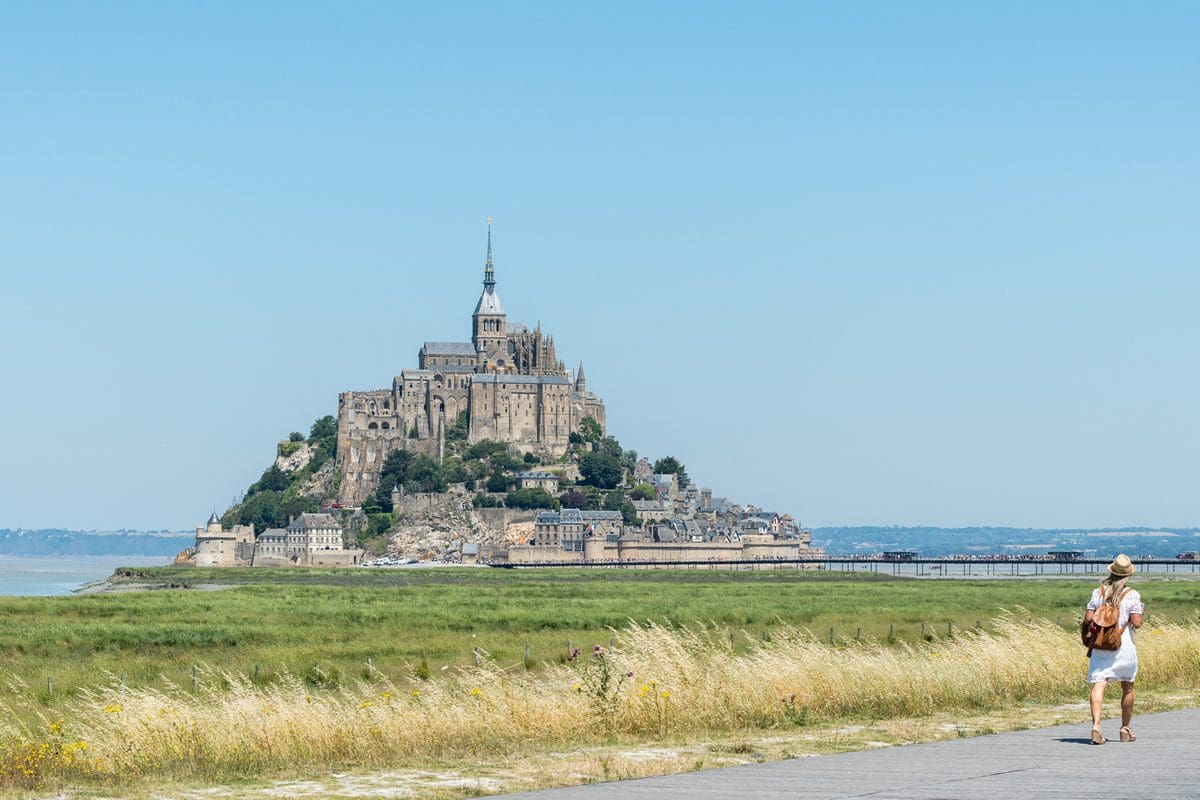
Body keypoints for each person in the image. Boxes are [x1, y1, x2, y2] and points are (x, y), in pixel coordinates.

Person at [1085, 553, 1144, 744]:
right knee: (1127, 686)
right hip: (1123, 646)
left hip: (1102, 645)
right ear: (1127, 575)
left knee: (1099, 683)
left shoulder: (1098, 592)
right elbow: (1137, 623)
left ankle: (1096, 726)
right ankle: (1125, 729)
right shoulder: (1132, 595)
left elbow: (1088, 618)